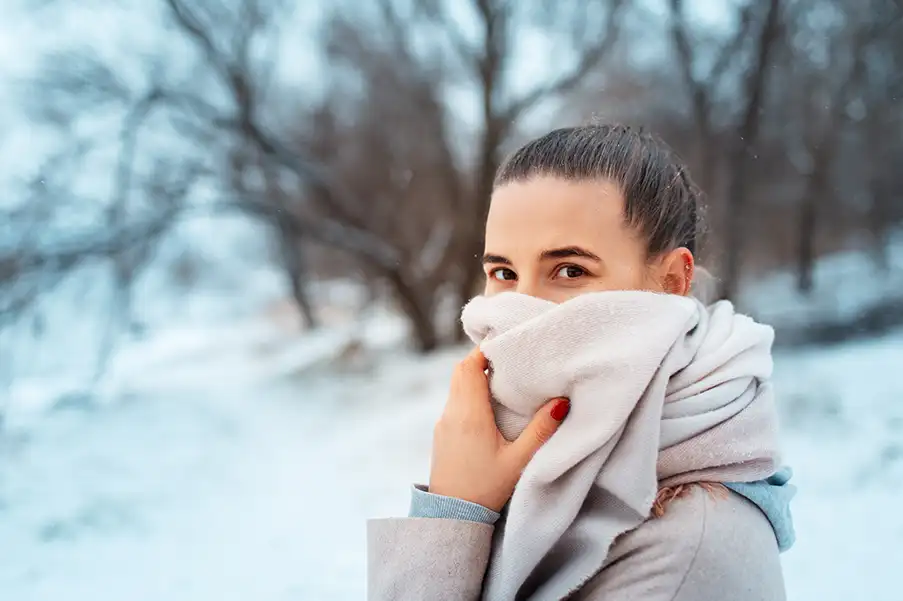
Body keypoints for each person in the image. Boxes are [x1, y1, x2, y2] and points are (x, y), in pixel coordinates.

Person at [367, 125, 795, 601]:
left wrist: (452, 515)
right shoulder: (537, 459)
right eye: (504, 273)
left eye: (570, 271)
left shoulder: (689, 557)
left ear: (672, 281)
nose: (521, 312)